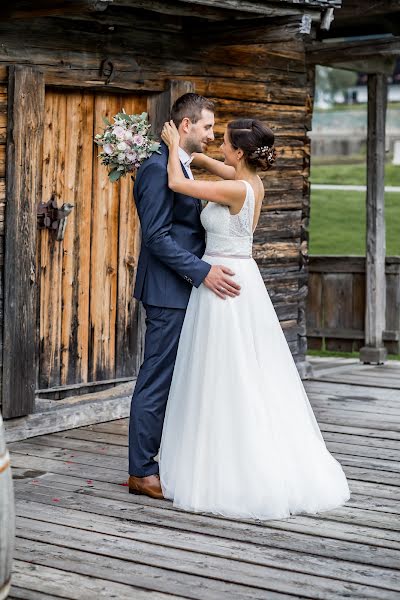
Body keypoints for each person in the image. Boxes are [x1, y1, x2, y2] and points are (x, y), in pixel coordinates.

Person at [158, 118, 351, 519]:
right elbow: (214, 165)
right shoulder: (249, 181)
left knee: (225, 369)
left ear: (240, 152)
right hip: (240, 274)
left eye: (225, 142)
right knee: (241, 365)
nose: (220, 146)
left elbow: (177, 185)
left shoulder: (234, 188)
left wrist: (174, 143)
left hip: (222, 280)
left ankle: (232, 462)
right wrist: (195, 153)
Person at [128, 94, 241, 499]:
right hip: (167, 291)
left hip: (186, 290)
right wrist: (203, 271)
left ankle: (166, 460)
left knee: (180, 380)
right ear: (186, 125)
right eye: (208, 127)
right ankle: (141, 471)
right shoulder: (157, 168)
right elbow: (156, 237)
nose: (212, 134)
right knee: (157, 379)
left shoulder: (179, 164)